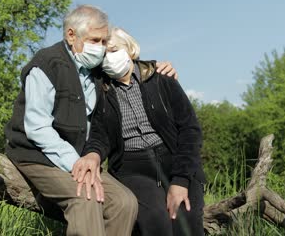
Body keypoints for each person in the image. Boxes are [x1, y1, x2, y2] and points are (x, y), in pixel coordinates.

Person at [4, 5, 176, 236]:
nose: (102, 48)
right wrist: (76, 163)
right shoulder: (47, 64)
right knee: (86, 199)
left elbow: (130, 67)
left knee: (124, 202)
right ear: (71, 35)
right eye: (95, 40)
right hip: (37, 155)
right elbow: (37, 128)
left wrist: (158, 69)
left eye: (104, 41)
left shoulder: (97, 69)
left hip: (80, 158)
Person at [87, 27, 206, 236]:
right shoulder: (100, 89)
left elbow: (190, 129)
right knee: (156, 222)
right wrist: (93, 154)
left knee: (185, 222)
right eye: (103, 54)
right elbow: (99, 134)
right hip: (132, 167)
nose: (109, 58)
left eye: (113, 50)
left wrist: (180, 180)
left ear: (130, 50)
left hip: (174, 159)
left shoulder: (161, 78)